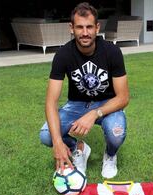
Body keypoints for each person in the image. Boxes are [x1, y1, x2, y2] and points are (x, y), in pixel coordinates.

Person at [39, 2, 129, 179]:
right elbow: (51, 102)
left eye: (89, 27)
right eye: (79, 27)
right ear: (71, 28)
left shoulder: (112, 52)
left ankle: (110, 155)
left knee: (116, 132)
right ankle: (78, 149)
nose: (85, 33)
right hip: (77, 104)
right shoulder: (63, 55)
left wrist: (95, 113)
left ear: (97, 27)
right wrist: (57, 142)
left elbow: (124, 97)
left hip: (106, 104)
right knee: (46, 136)